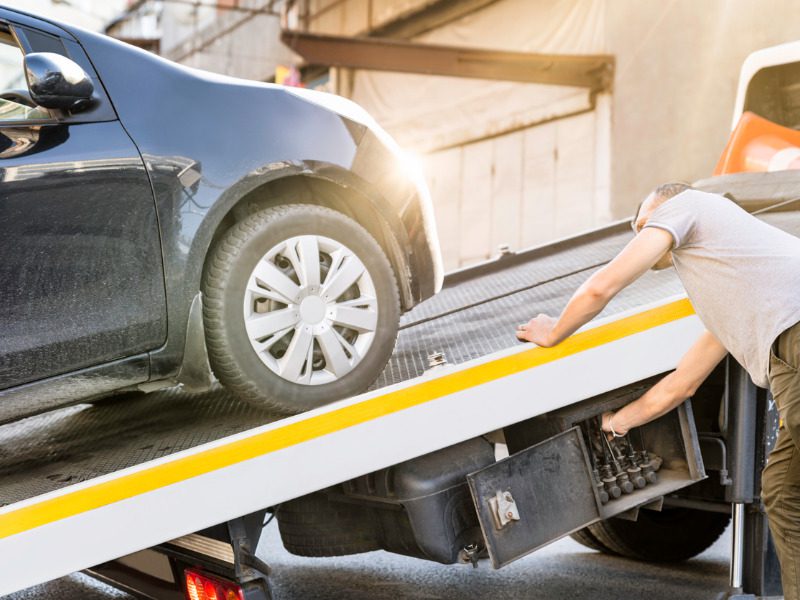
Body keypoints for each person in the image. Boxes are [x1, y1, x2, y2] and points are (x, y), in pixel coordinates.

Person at [516, 182, 800, 599]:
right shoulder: (731, 291)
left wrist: (554, 331)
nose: (640, 234)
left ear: (667, 205)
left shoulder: (691, 206)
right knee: (781, 489)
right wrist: (615, 424)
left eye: (644, 223)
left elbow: (603, 286)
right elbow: (681, 385)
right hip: (788, 366)